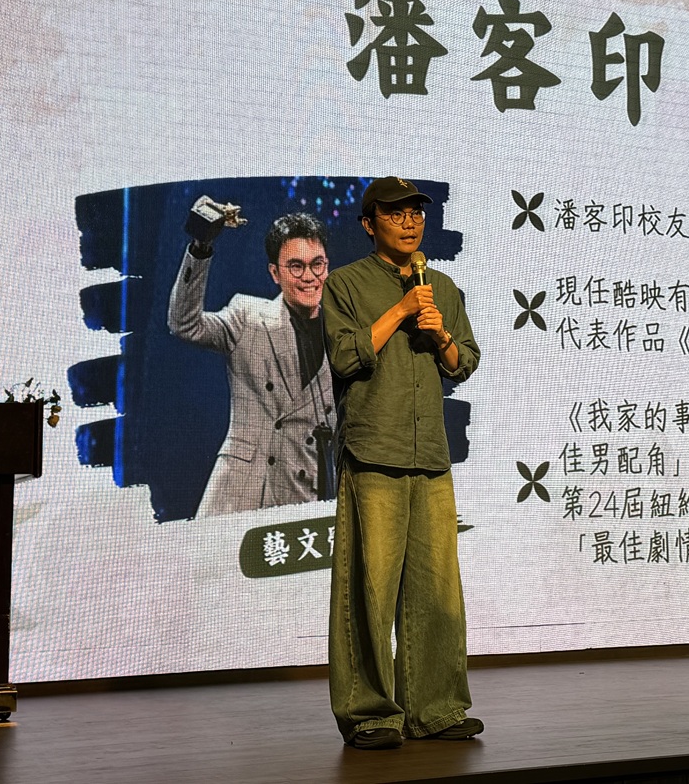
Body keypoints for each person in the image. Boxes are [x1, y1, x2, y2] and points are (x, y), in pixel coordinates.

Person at [321, 176, 482, 750]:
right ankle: (369, 714)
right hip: (374, 451)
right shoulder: (345, 284)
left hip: (430, 453)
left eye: (416, 212)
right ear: (370, 224)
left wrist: (441, 337)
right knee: (369, 589)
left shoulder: (442, 286)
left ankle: (435, 710)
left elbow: (465, 361)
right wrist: (402, 310)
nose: (410, 222)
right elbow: (344, 356)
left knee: (438, 591)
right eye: (396, 214)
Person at [168, 204, 335, 516]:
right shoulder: (248, 316)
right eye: (296, 267)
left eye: (317, 265)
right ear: (275, 273)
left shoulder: (345, 338)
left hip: (301, 500)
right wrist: (201, 248)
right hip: (240, 491)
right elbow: (184, 324)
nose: (309, 277)